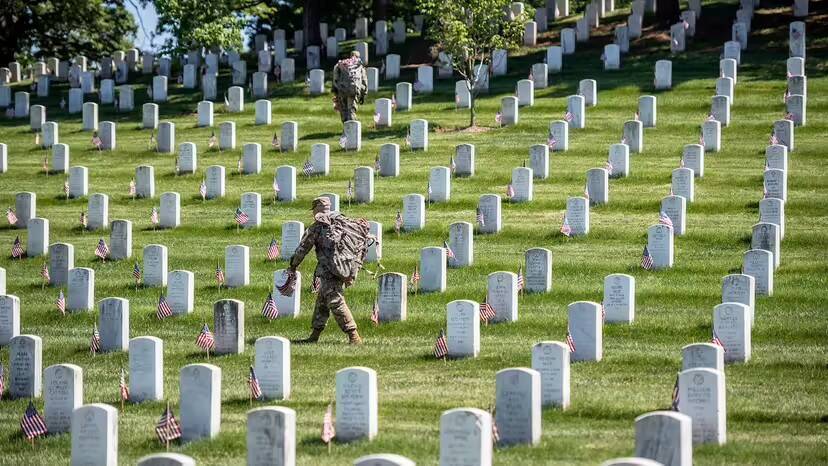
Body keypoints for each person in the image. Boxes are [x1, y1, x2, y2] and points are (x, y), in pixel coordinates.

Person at [289, 197, 363, 344]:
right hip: (343, 268)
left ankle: (354, 336)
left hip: (330, 270)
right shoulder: (341, 222)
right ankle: (314, 335)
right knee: (322, 302)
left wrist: (293, 265)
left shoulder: (317, 227)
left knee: (336, 301)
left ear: (316, 210)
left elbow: (303, 249)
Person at [332, 51, 367, 123]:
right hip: (353, 89)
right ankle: (352, 130)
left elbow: (335, 78)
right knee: (351, 110)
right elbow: (364, 81)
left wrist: (335, 90)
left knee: (344, 110)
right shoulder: (359, 65)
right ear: (358, 57)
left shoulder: (341, 63)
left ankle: (346, 128)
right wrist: (363, 94)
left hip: (342, 89)